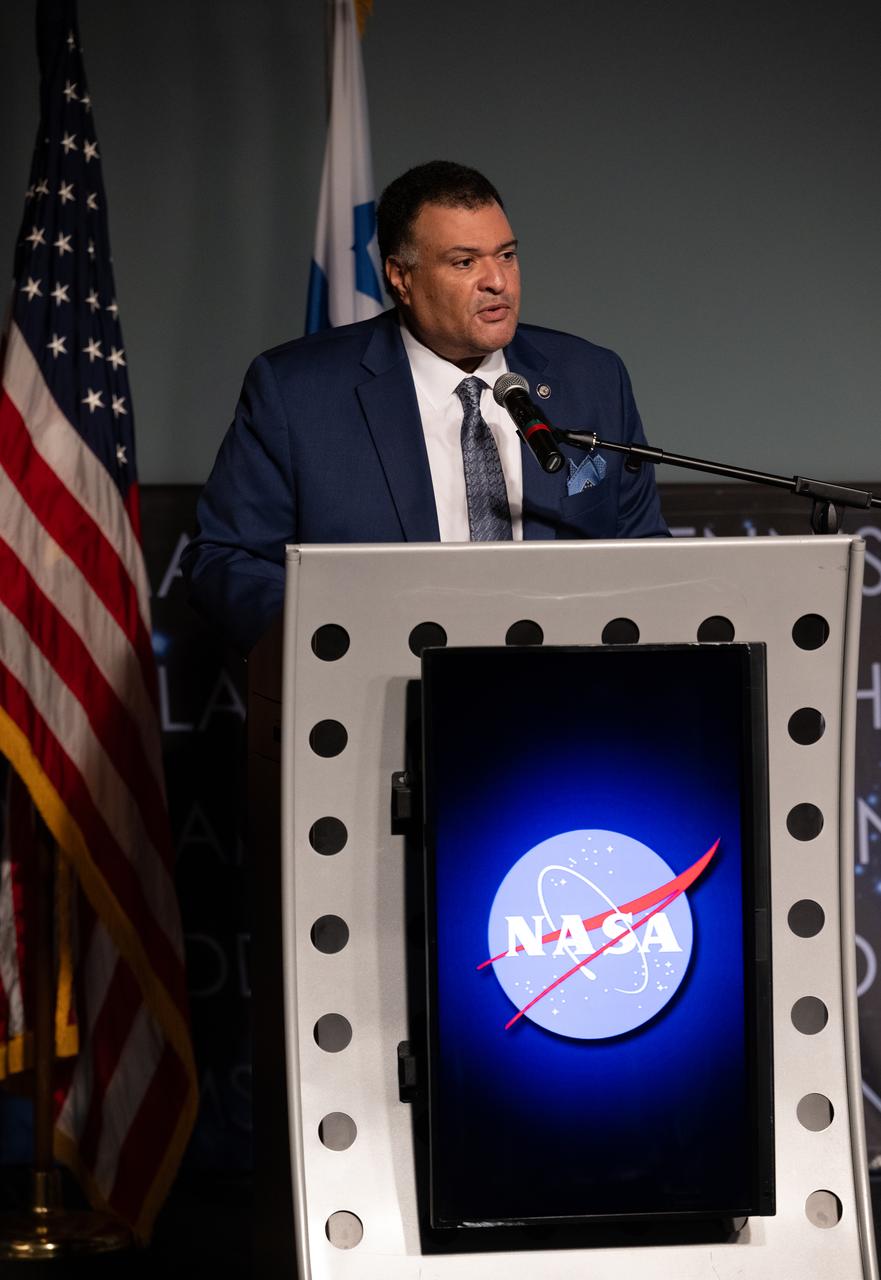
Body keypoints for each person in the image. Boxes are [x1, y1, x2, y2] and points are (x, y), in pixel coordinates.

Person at [182, 161, 667, 654]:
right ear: (401, 277)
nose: (497, 281)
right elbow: (226, 557)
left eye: (507, 255)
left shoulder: (592, 379)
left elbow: (643, 550)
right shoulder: (297, 392)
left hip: (567, 698)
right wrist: (327, 642)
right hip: (384, 696)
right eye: (465, 262)